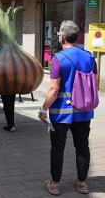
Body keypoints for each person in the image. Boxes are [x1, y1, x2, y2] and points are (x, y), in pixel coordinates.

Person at [39, 20, 97, 196]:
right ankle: (82, 183)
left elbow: (54, 89)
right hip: (84, 111)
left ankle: (55, 184)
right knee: (82, 146)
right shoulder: (89, 56)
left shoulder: (58, 59)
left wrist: (43, 109)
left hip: (61, 112)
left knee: (58, 147)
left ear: (62, 37)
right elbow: (93, 84)